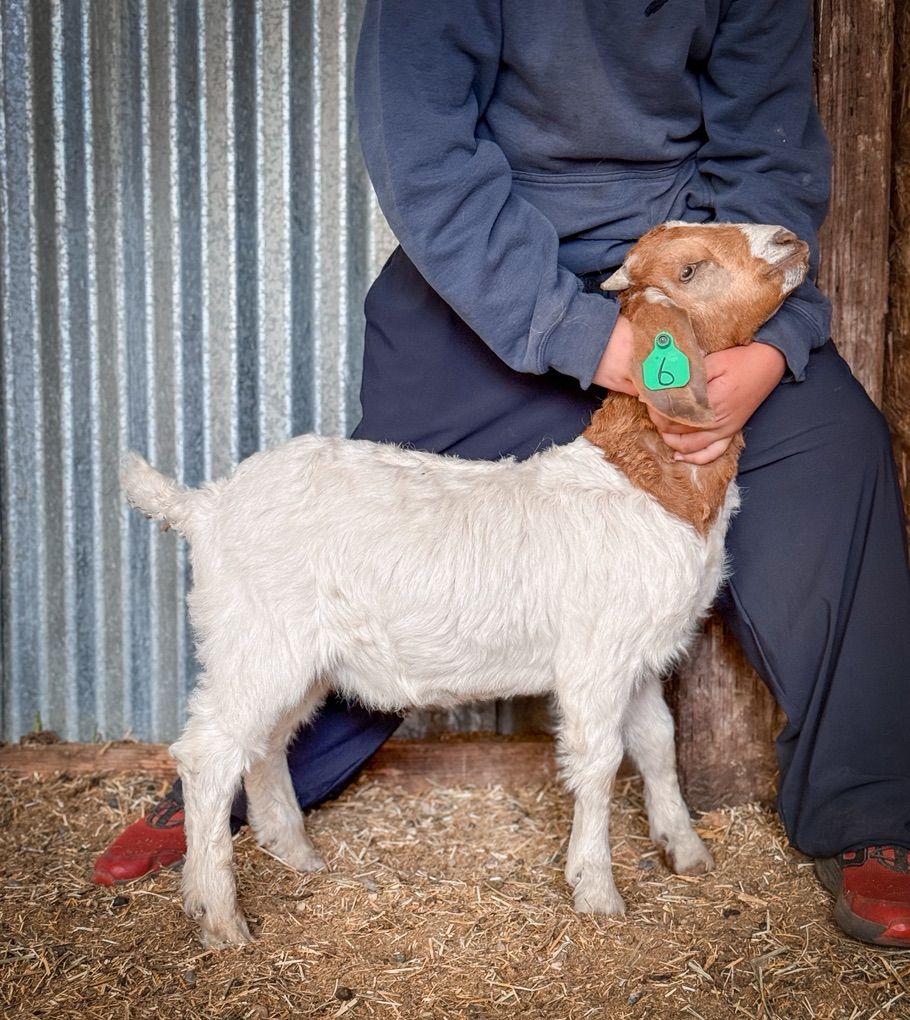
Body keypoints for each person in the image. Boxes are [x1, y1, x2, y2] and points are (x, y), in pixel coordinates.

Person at [93, 1, 910, 947]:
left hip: (686, 286)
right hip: (488, 279)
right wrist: (586, 339)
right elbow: (425, 151)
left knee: (839, 454)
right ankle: (230, 775)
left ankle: (875, 808)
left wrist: (768, 348)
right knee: (367, 541)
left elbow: (768, 161)